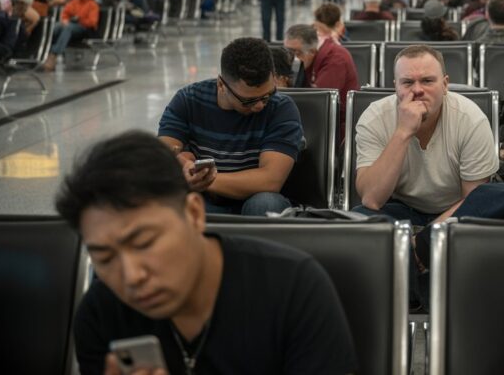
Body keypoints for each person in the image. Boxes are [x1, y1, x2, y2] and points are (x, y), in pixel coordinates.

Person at [56, 131, 356, 375]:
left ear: (194, 214)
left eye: (145, 242)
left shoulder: (293, 290)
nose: (132, 277)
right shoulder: (101, 315)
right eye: (105, 258)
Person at [352, 44, 498, 225]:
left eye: (427, 81)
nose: (417, 90)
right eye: (407, 82)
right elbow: (371, 199)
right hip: (400, 208)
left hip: (455, 210)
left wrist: (427, 236)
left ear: (445, 85)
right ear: (395, 86)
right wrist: (403, 132)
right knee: (360, 218)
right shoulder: (374, 118)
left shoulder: (471, 120)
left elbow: (474, 203)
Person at [158, 37, 303, 216]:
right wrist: (182, 163)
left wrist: (207, 180)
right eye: (248, 100)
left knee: (266, 203)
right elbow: (163, 156)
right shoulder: (188, 100)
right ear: (221, 85)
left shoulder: (281, 108)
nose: (259, 105)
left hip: (254, 199)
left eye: (267, 95)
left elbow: (270, 180)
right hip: (205, 201)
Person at [284, 24, 359, 136]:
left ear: (312, 51)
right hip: (316, 120)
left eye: (297, 53)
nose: (293, 58)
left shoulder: (335, 59)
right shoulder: (310, 56)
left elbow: (319, 102)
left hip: (337, 126)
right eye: (288, 51)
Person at [42, 0, 100, 71]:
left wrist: (79, 19)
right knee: (57, 26)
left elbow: (92, 22)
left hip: (85, 29)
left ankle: (54, 55)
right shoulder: (74, 3)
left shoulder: (93, 5)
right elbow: (65, 14)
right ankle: (46, 51)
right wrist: (65, 20)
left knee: (68, 28)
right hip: (71, 25)